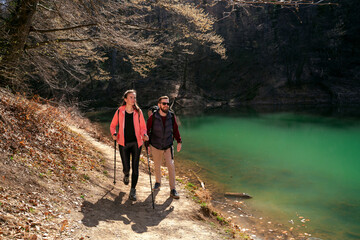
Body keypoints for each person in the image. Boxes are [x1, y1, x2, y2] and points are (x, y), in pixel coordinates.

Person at [110, 89, 148, 201]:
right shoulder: (119, 111)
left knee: (135, 168)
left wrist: (144, 134)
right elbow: (113, 126)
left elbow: (143, 127)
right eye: (131, 97)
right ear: (125, 99)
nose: (133, 99)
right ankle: (126, 174)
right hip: (123, 143)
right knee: (127, 167)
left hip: (137, 143)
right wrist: (114, 134)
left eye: (134, 97)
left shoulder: (138, 112)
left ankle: (133, 190)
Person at [146, 96, 182, 199]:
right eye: (164, 103)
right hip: (155, 145)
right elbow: (147, 132)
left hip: (168, 145)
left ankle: (173, 189)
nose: (166, 105)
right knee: (157, 165)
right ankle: (158, 182)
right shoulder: (152, 117)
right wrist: (147, 145)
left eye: (167, 103)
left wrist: (179, 141)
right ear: (159, 105)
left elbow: (175, 129)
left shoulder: (171, 116)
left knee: (171, 166)